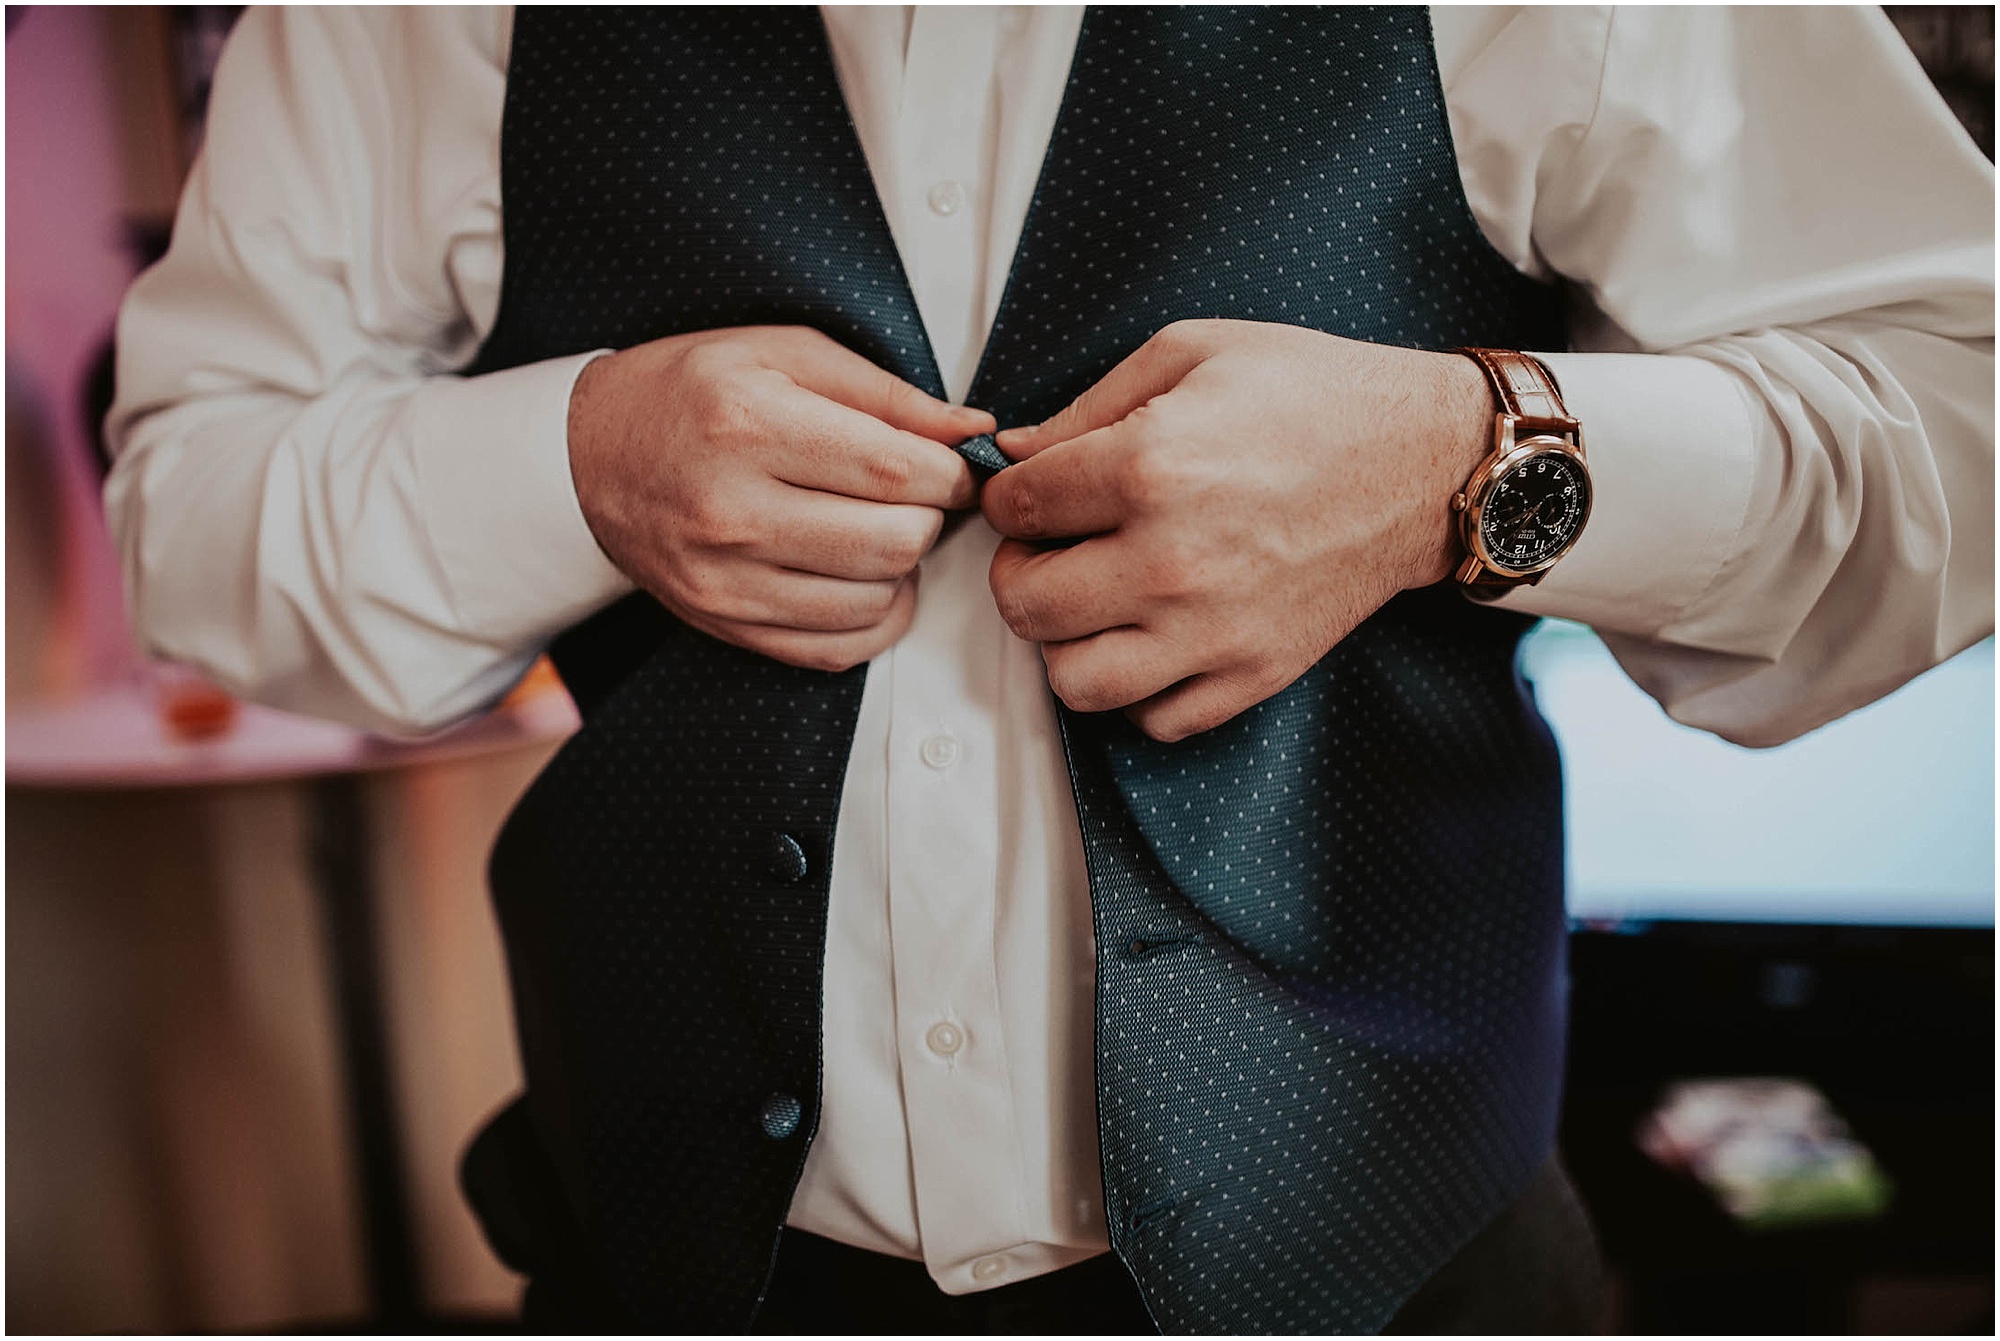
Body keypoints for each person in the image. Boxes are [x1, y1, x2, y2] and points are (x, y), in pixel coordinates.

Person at [105, 6, 1992, 1334]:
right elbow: (188, 507)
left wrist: (1461, 464)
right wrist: (571, 465)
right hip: (675, 1272)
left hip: (1404, 1282)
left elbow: (1958, 416)